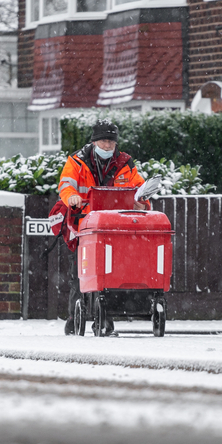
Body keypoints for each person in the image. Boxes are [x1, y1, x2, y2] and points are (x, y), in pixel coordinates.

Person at [58, 119, 146, 336]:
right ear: (95, 141)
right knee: (80, 275)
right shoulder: (77, 162)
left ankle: (104, 320)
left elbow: (140, 190)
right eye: (104, 141)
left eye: (111, 142)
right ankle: (74, 319)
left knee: (108, 275)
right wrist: (73, 199)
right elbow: (66, 186)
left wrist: (141, 203)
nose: (107, 146)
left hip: (112, 229)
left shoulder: (125, 163)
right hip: (85, 227)